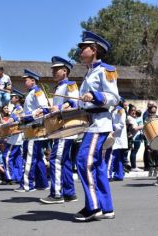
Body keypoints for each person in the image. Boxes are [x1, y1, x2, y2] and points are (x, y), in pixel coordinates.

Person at [74, 31, 120, 221]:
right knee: (98, 165)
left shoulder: (105, 70)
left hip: (98, 124)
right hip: (91, 123)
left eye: (83, 47)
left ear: (93, 50)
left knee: (84, 161)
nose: (80, 50)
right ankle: (106, 207)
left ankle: (93, 207)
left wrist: (95, 96)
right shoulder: (89, 72)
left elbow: (114, 98)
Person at [40, 56, 78, 204]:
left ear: (65, 70)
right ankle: (69, 193)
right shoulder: (58, 88)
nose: (53, 72)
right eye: (53, 69)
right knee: (65, 161)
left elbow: (74, 102)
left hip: (65, 129)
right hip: (60, 129)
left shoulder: (70, 85)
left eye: (56, 69)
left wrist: (60, 107)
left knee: (55, 159)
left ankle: (56, 194)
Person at [15, 69, 49, 192]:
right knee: (38, 157)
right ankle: (42, 183)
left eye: (26, 80)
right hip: (32, 128)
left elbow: (44, 109)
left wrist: (27, 116)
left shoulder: (37, 92)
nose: (24, 81)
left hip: (34, 128)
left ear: (33, 80)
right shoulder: (30, 93)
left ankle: (27, 185)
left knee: (29, 157)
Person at [2, 90, 24, 185]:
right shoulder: (17, 108)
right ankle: (18, 177)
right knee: (17, 158)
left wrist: (1, 123)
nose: (11, 98)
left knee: (6, 156)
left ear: (17, 98)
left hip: (15, 137)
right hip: (17, 136)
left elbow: (11, 121)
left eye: (13, 97)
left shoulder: (18, 109)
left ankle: (10, 177)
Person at [104, 102, 128, 181]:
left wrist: (112, 129)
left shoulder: (120, 110)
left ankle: (108, 175)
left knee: (111, 155)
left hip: (116, 135)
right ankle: (119, 175)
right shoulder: (112, 110)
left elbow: (121, 124)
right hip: (116, 135)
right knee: (117, 157)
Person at [142, 101, 158, 177]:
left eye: (154, 112)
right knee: (149, 152)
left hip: (157, 137)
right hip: (149, 137)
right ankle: (151, 167)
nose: (153, 114)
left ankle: (157, 167)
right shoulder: (146, 118)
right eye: (152, 112)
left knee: (157, 152)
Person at [127, 105, 144, 172]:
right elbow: (134, 128)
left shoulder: (133, 118)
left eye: (134, 110)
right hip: (134, 137)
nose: (133, 112)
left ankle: (134, 166)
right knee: (134, 152)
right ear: (129, 111)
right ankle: (133, 166)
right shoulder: (129, 118)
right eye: (132, 110)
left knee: (135, 152)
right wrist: (143, 126)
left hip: (137, 135)